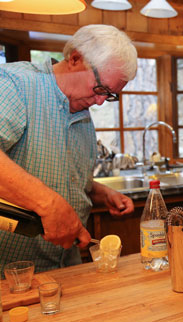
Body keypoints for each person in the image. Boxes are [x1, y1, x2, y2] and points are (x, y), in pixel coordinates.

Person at [0, 24, 137, 273]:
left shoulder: (82, 113)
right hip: (11, 274)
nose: (99, 102)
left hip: (66, 267)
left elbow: (63, 176)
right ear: (75, 58)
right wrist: (48, 203)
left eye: (110, 95)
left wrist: (102, 193)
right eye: (100, 89)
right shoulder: (16, 84)